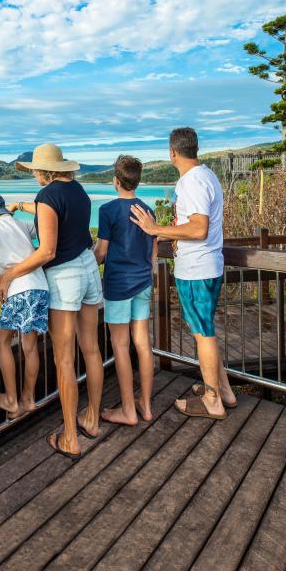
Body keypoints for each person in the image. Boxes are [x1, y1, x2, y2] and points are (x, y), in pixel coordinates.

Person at [0, 143, 103, 460]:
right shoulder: (79, 191)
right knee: (92, 349)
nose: (35, 176)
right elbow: (52, 212)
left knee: (65, 360)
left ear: (44, 171)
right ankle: (92, 420)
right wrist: (20, 206)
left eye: (35, 172)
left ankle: (70, 437)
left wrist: (9, 274)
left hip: (66, 279)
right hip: (87, 269)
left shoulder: (47, 196)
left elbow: (47, 252)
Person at [130, 127, 237, 419]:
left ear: (172, 152)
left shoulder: (192, 182)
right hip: (208, 265)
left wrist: (155, 229)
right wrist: (168, 234)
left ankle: (213, 400)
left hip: (197, 269)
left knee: (203, 334)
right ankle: (224, 391)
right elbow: (194, 225)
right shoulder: (207, 175)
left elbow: (199, 228)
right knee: (206, 333)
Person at [0, 193, 49, 420]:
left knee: (2, 341)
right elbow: (44, 218)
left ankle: (11, 401)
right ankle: (29, 399)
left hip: (19, 289)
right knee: (30, 346)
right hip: (40, 287)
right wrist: (21, 207)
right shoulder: (19, 222)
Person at [94, 155, 156, 425]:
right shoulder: (147, 210)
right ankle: (146, 406)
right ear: (137, 181)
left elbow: (102, 252)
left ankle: (129, 410)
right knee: (143, 344)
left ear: (116, 181)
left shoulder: (108, 211)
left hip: (119, 284)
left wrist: (88, 260)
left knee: (120, 346)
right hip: (143, 281)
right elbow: (153, 250)